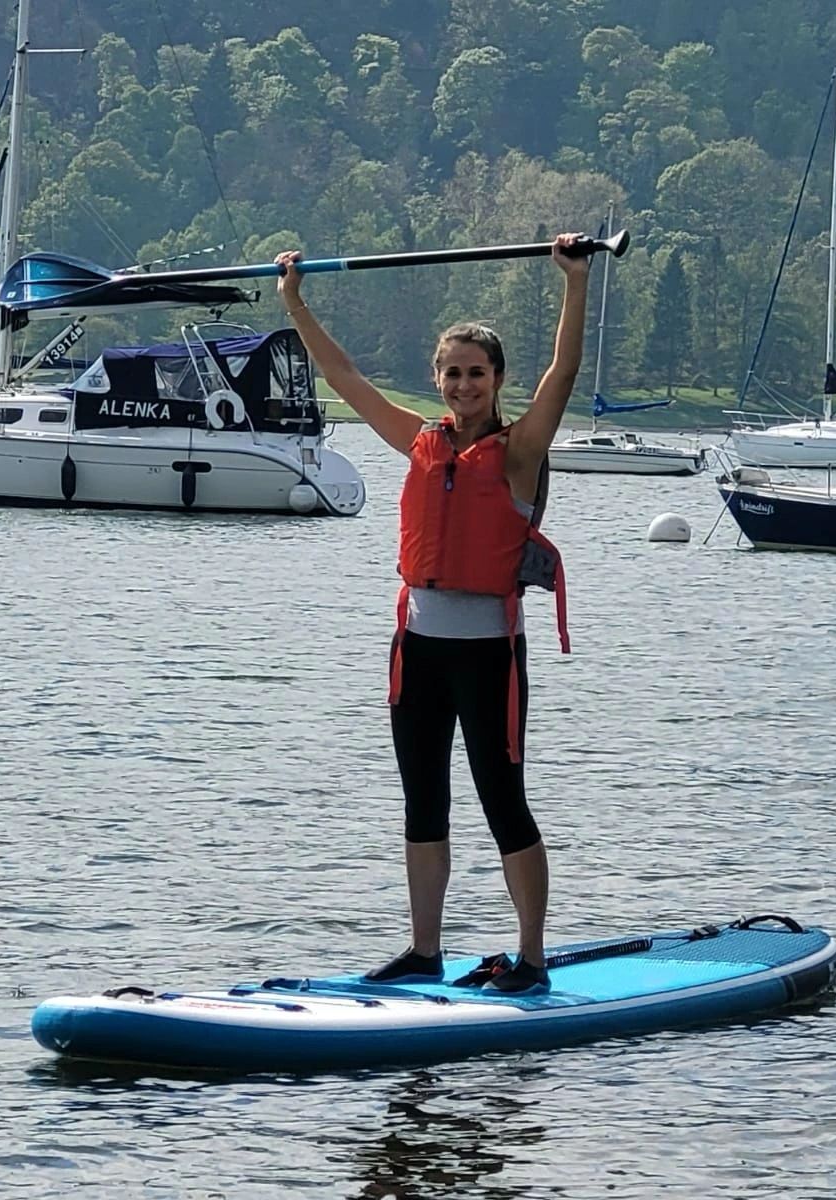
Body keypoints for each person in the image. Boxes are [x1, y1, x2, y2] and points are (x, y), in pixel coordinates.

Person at [274, 235, 590, 994]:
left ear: (497, 380)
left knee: (503, 802)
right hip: (416, 649)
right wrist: (294, 302)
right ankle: (424, 950)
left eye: (476, 373)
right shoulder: (418, 442)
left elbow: (564, 373)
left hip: (487, 655)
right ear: (437, 378)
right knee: (423, 799)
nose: (462, 384)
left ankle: (533, 957)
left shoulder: (518, 451)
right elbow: (344, 377)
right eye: (451, 372)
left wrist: (573, 284)